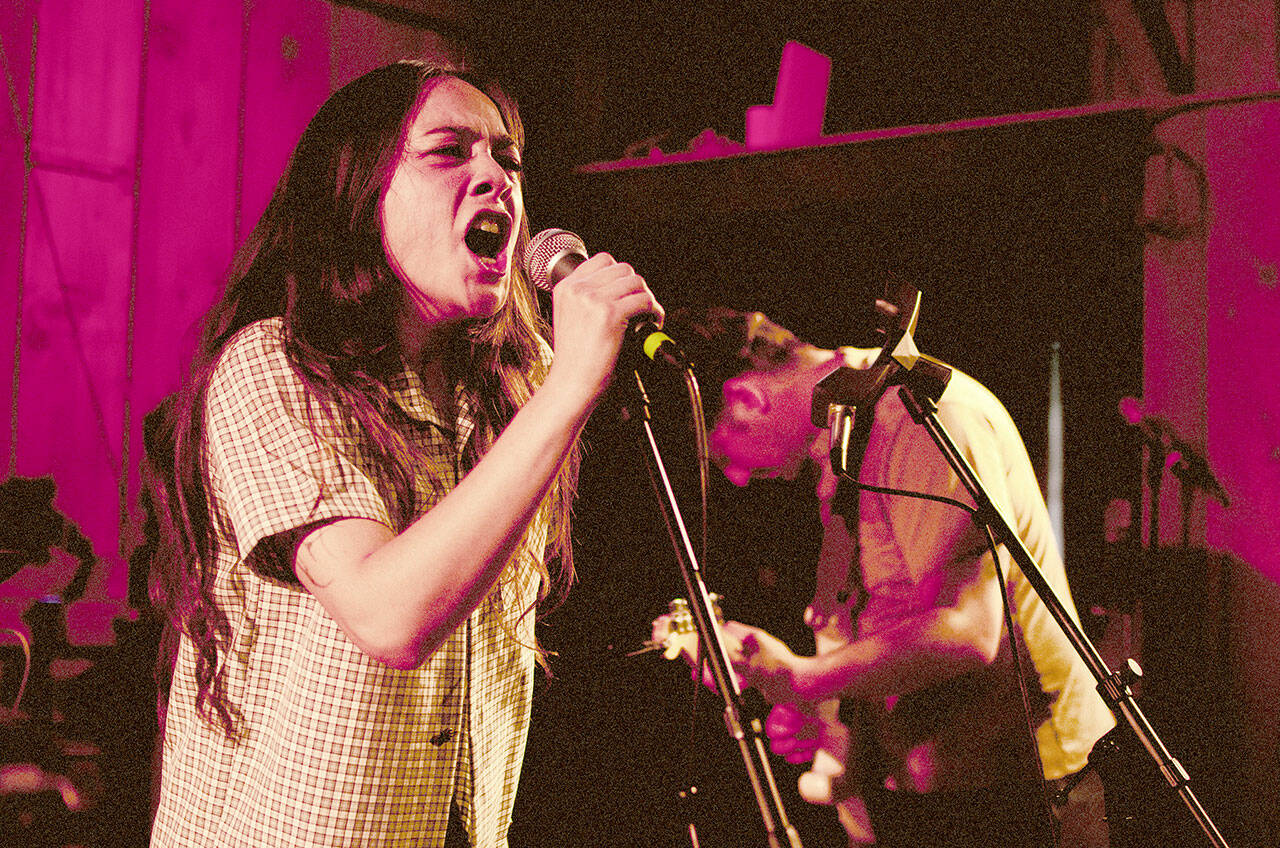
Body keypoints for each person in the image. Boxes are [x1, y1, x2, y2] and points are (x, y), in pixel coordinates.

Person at [146, 60, 662, 848]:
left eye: (508, 159)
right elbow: (390, 618)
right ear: (359, 194)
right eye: (449, 151)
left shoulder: (506, 393)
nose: (495, 176)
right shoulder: (273, 366)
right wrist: (571, 386)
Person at [666, 307, 1115, 847]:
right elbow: (888, 613)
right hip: (946, 785)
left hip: (1021, 792)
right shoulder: (844, 435)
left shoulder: (920, 416)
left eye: (721, 457)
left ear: (747, 400)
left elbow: (967, 630)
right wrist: (824, 708)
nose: (736, 479)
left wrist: (804, 676)